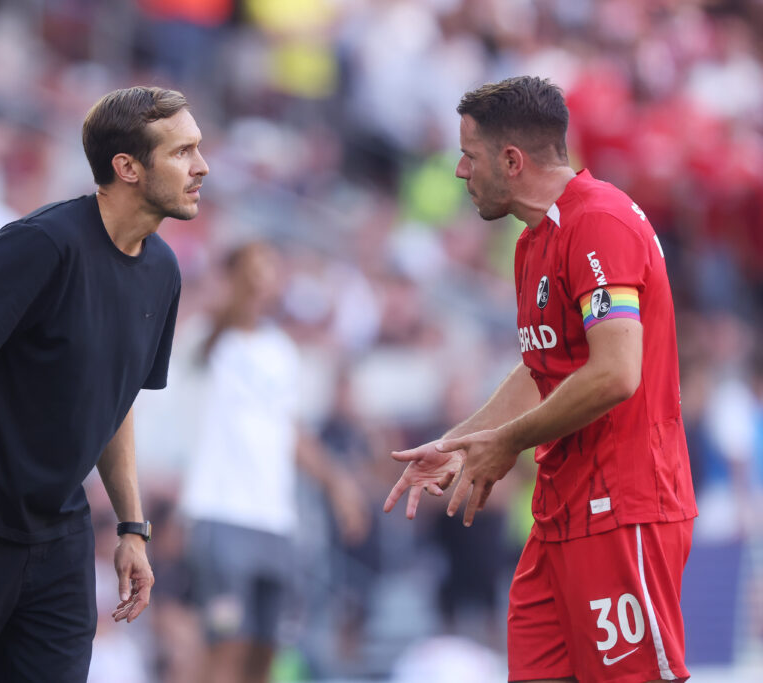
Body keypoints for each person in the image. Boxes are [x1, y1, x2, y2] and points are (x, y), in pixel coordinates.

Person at [0, 86, 207, 682]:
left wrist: (132, 526)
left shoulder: (163, 269)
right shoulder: (44, 243)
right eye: (182, 151)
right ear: (128, 167)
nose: (201, 166)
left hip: (58, 535)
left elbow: (114, 399)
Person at [384, 76, 696, 683]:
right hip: (561, 514)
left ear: (511, 161)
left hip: (622, 506)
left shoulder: (600, 222)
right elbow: (543, 368)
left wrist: (506, 442)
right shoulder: (535, 241)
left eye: (469, 156)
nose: (459, 171)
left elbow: (616, 372)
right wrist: (461, 442)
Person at [180, 242, 369, 683]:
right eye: (252, 271)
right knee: (225, 644)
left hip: (275, 524)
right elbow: (213, 336)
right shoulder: (206, 336)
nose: (261, 282)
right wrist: (240, 291)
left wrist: (337, 483)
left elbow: (288, 431)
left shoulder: (279, 349)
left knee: (265, 653)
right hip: (221, 515)